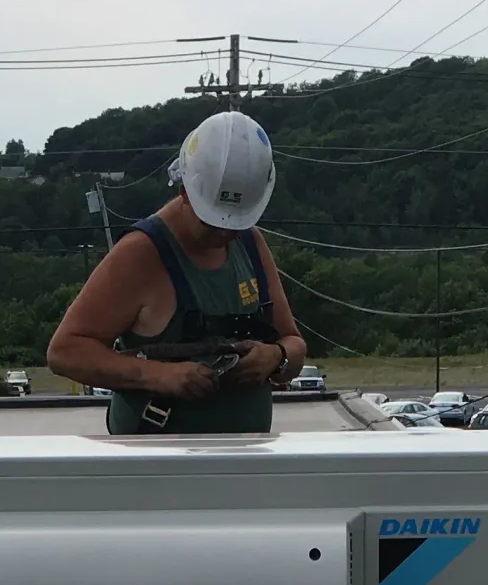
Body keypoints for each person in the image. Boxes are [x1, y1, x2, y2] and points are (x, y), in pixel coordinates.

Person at [47, 111, 306, 431]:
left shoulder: (250, 244)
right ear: (185, 191)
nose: (226, 233)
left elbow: (294, 343)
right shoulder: (141, 254)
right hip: (157, 469)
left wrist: (276, 356)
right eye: (213, 222)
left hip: (242, 466)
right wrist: (157, 375)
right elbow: (65, 351)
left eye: (236, 222)